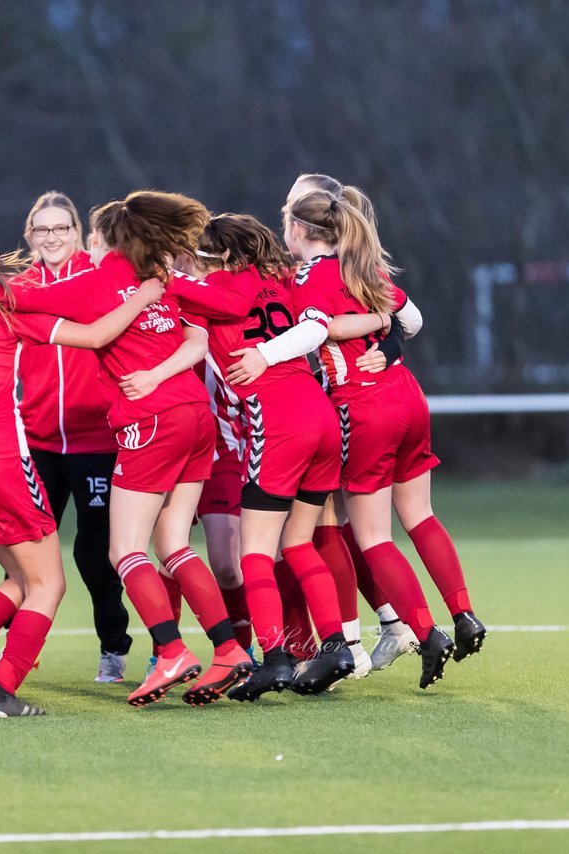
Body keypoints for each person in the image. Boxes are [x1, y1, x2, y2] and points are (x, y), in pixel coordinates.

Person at [0, 223, 165, 716]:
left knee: (19, 580)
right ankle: (3, 690)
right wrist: (143, 296)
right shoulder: (3, 309)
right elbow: (93, 335)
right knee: (50, 585)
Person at [12, 192, 255, 707]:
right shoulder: (165, 285)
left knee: (123, 550)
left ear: (107, 240)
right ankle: (230, 649)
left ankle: (169, 650)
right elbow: (207, 329)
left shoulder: (100, 280)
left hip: (150, 424)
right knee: (173, 544)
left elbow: (25, 299)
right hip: (196, 418)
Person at [277, 188, 487, 688]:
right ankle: (464, 615)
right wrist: (382, 331)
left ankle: (423, 632)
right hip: (407, 396)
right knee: (421, 516)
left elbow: (311, 330)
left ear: (300, 230)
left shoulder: (308, 276)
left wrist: (270, 354)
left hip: (361, 406)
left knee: (372, 537)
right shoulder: (364, 266)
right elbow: (411, 321)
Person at [157, 213, 356, 702]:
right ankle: (335, 645)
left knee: (255, 552)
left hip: (280, 418)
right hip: (320, 413)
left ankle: (274, 660)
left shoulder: (223, 286)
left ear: (221, 255)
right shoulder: (281, 280)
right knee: (299, 542)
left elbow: (185, 302)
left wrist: (155, 272)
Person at [8, 191, 132, 684]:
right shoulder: (19, 287)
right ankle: (19, 653)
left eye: (62, 228)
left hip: (97, 440)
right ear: (29, 236)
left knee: (92, 554)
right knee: (25, 552)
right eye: (42, 230)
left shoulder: (98, 277)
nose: (52, 237)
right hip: (39, 443)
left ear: (79, 233)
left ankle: (113, 648)